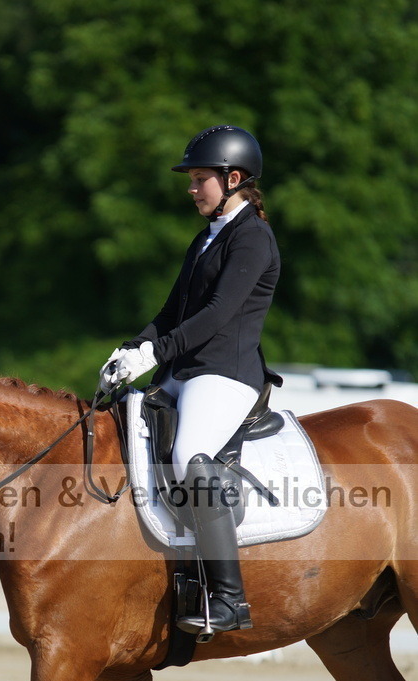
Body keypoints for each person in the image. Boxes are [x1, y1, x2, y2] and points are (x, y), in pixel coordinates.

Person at [99, 124, 281, 635]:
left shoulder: (253, 238)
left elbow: (219, 314)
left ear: (234, 179)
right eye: (194, 178)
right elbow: (171, 310)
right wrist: (133, 349)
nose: (192, 187)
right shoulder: (207, 236)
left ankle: (229, 598)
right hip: (184, 369)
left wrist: (158, 352)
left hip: (225, 374)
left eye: (201, 178)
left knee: (188, 457)